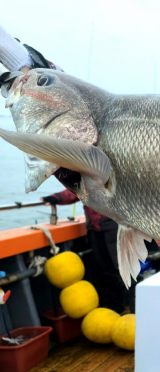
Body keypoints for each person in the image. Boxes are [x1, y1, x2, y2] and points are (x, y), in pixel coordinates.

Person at [0, 26, 132, 314]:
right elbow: (78, 186)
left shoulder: (93, 144)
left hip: (111, 221)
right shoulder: (80, 161)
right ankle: (115, 308)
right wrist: (55, 200)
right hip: (94, 222)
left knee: (121, 268)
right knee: (105, 268)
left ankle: (128, 310)